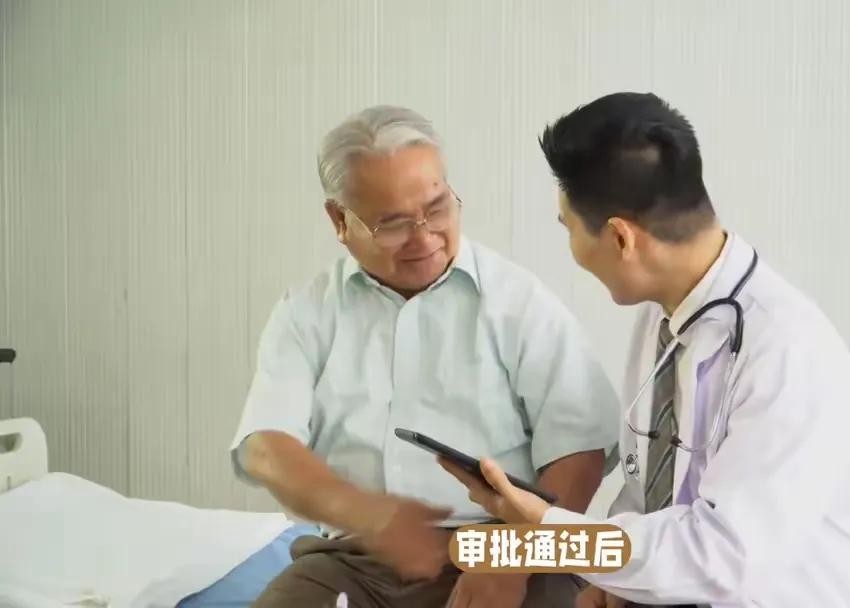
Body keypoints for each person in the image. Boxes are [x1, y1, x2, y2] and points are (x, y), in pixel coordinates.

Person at [441, 92, 850, 608]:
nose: (572, 249)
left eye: (569, 229)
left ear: (620, 239)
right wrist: (611, 585)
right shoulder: (664, 317)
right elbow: (647, 495)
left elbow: (722, 557)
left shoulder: (787, 352)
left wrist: (550, 532)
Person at [229, 105, 622, 608]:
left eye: (437, 209)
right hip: (353, 560)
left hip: (504, 548)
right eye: (392, 224)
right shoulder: (306, 313)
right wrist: (369, 515)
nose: (424, 237)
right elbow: (265, 446)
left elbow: (581, 450)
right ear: (339, 220)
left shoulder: (519, 302)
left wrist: (510, 558)